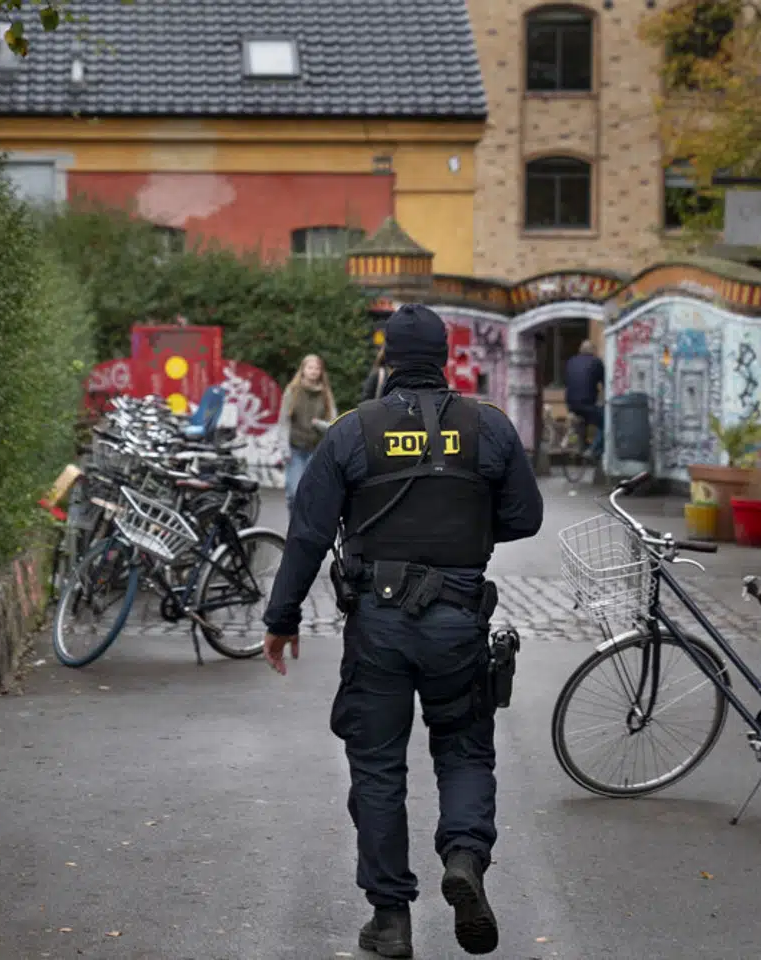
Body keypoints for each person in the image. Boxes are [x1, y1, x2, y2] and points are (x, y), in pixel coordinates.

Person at [261, 304, 543, 958]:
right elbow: (524, 516)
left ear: (387, 357)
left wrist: (281, 619)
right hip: (459, 622)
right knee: (465, 750)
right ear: (443, 357)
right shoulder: (490, 428)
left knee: (377, 768)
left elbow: (306, 533)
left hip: (379, 628)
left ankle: (390, 919)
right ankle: (465, 857)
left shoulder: (353, 431)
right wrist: (467, 529)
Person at [280, 354, 337, 512]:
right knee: (293, 493)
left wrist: (319, 424)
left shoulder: (325, 393)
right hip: (295, 448)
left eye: (317, 368)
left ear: (321, 372)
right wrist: (283, 448)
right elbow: (284, 421)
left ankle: (307, 529)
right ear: (303, 370)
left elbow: (333, 424)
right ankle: (294, 526)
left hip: (316, 450)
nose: (313, 371)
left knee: (313, 493)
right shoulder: (293, 391)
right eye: (310, 368)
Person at [563, 339, 606, 459]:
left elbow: (568, 381)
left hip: (570, 403)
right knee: (605, 422)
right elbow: (605, 384)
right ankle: (592, 450)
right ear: (593, 350)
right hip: (587, 403)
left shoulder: (571, 361)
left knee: (580, 421)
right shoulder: (596, 362)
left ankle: (577, 445)